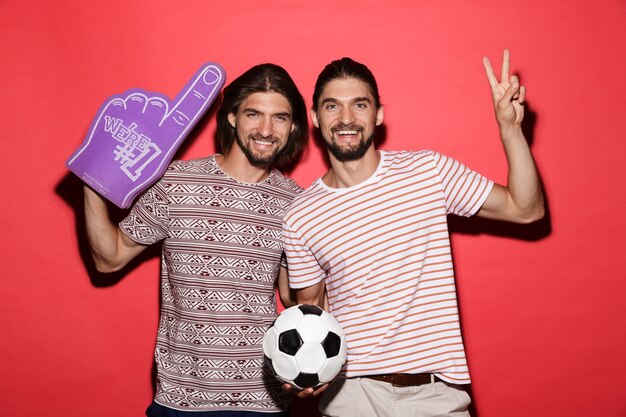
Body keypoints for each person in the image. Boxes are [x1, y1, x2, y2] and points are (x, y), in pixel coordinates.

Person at [282, 50, 544, 417]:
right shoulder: (301, 215)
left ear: (379, 113)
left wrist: (510, 129)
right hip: (351, 398)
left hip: (435, 395)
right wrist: (306, 368)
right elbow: (311, 312)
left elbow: (526, 208)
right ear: (314, 117)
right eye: (331, 107)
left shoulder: (428, 173)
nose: (346, 119)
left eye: (359, 105)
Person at [83, 63, 308, 416]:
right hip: (181, 398)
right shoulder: (175, 183)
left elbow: (295, 299)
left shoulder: (297, 204)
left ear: (293, 125)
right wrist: (94, 179)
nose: (266, 129)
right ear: (233, 116)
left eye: (279, 117)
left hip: (263, 400)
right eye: (254, 114)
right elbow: (109, 257)